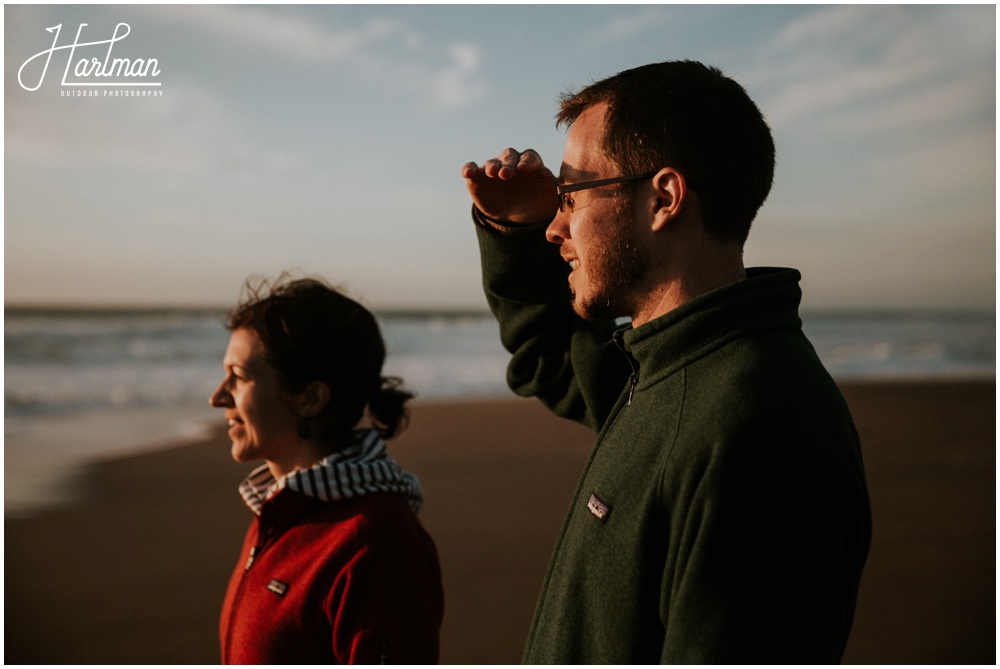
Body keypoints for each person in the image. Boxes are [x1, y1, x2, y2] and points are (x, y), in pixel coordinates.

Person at [461, 60, 871, 664]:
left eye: (570, 195)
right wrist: (512, 231)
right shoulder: (663, 369)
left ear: (663, 198)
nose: (556, 226)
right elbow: (548, 358)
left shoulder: (754, 427)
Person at [209, 275, 443, 664]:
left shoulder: (374, 541)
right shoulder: (277, 511)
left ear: (311, 397)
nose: (218, 397)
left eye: (240, 377)